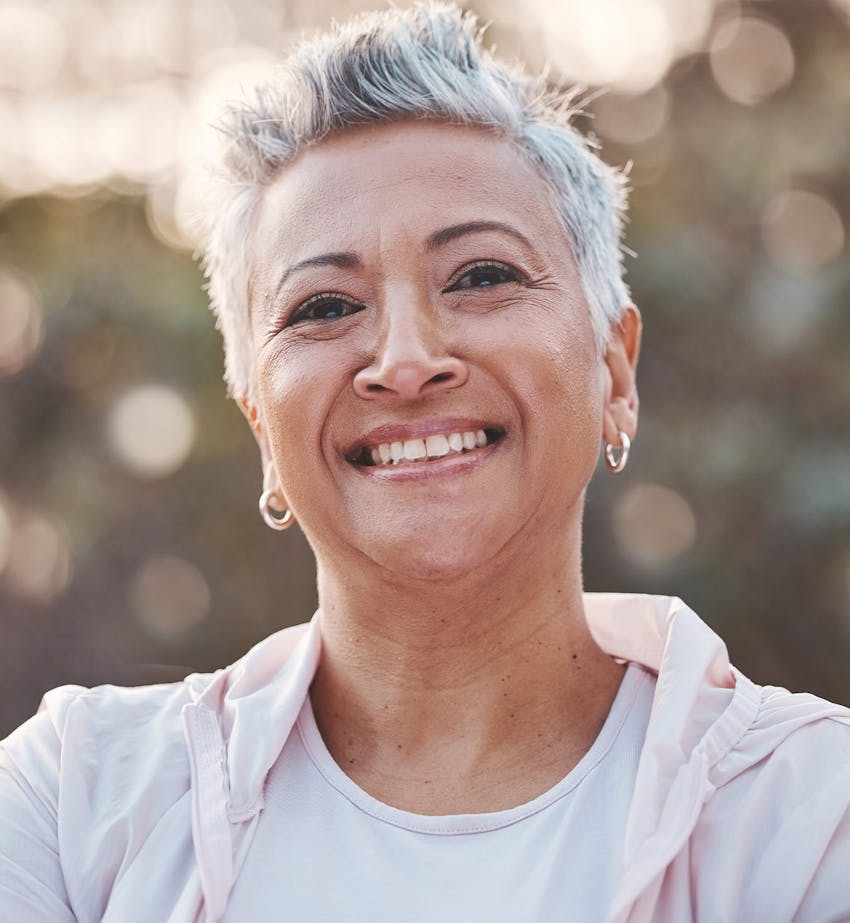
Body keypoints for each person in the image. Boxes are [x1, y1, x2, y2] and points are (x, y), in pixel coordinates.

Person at [2, 3, 849, 921]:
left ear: (614, 371)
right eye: (323, 306)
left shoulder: (810, 814)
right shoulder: (71, 805)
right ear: (261, 428)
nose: (405, 360)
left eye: (482, 276)